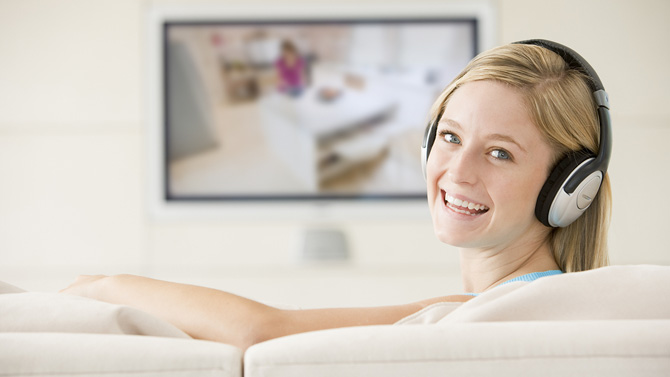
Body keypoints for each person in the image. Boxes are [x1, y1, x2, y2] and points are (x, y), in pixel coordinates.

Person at [61, 40, 612, 350]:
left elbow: (263, 334)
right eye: (449, 137)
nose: (456, 172)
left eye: (500, 153)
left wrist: (104, 285)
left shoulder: (499, 313)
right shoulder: (541, 305)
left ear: (571, 187)